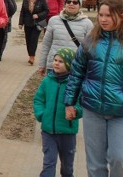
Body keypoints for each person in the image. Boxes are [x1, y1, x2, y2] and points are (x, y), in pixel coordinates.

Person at [64, 0, 123, 177]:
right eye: (101, 15)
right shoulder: (90, 41)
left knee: (120, 158)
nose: (103, 19)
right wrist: (70, 102)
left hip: (121, 112)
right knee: (95, 164)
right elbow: (76, 73)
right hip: (93, 111)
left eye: (109, 15)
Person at [33, 48, 83, 177]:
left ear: (70, 64)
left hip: (67, 131)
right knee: (49, 163)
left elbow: (82, 105)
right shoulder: (47, 81)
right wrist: (41, 114)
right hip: (48, 131)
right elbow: (38, 99)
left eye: (61, 61)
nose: (56, 63)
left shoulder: (76, 84)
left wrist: (76, 111)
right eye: (55, 60)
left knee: (67, 168)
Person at [37, 0, 93, 76]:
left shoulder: (87, 23)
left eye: (75, 2)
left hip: (75, 67)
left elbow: (90, 49)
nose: (71, 4)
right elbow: (46, 44)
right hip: (54, 66)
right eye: (68, 1)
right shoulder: (53, 20)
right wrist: (42, 64)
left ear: (80, 5)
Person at [18, 0, 49, 66]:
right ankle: (30, 55)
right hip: (27, 23)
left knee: (33, 40)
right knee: (28, 40)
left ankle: (32, 57)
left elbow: (46, 11)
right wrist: (20, 23)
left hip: (37, 24)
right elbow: (22, 12)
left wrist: (38, 15)